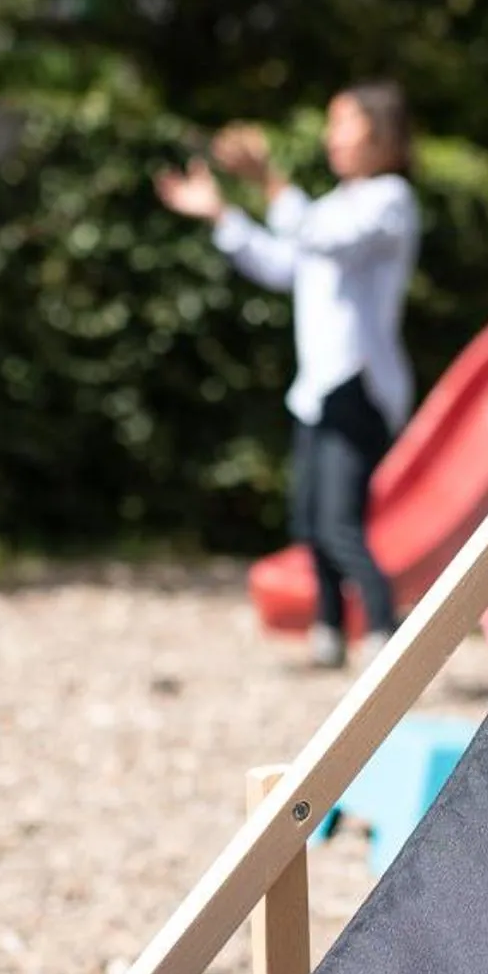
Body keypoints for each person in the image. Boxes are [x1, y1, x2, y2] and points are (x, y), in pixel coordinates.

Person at [156, 83, 419, 670]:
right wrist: (222, 213)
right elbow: (283, 264)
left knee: (340, 522)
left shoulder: (390, 201)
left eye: (343, 124)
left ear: (384, 135)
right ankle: (329, 631)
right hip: (316, 389)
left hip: (361, 385)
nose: (332, 138)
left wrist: (268, 178)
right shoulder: (328, 203)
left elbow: (321, 239)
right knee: (309, 520)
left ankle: (385, 633)